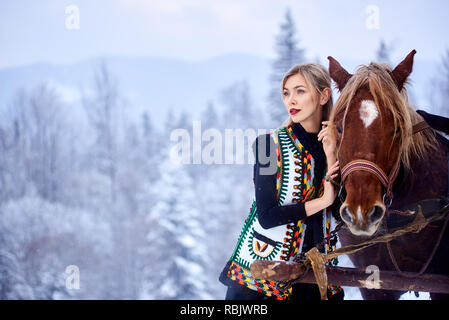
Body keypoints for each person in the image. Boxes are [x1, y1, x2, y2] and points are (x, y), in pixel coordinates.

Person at [219, 63, 344, 300]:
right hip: (262, 282)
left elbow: (341, 215)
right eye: (286, 93)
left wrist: (332, 156)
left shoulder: (338, 146)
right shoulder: (267, 146)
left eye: (300, 91)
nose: (291, 100)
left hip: (318, 282)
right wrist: (323, 200)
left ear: (324, 95)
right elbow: (267, 217)